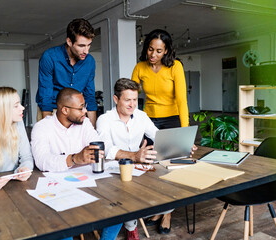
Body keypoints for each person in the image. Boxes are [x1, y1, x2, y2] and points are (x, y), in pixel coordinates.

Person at [31, 87, 122, 239]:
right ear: (65, 110)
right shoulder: (42, 128)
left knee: (121, 206)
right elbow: (42, 160)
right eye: (81, 108)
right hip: (58, 187)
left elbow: (97, 143)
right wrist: (74, 159)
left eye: (85, 106)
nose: (85, 111)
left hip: (88, 181)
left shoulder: (84, 123)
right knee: (62, 225)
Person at [97, 78, 173, 239]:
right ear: (116, 99)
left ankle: (158, 215)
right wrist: (134, 156)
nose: (132, 105)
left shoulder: (141, 116)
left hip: (138, 168)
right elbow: (107, 149)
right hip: (113, 172)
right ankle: (131, 228)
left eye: (134, 100)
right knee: (125, 192)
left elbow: (158, 136)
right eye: (127, 100)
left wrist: (178, 145)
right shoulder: (105, 119)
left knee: (169, 181)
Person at [131, 29, 190, 230]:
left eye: (158, 51)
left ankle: (167, 215)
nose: (153, 55)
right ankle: (157, 209)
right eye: (150, 49)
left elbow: (182, 101)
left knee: (169, 168)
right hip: (148, 121)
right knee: (151, 167)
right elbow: (131, 96)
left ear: (166, 51)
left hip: (171, 119)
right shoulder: (140, 67)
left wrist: (185, 134)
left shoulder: (175, 67)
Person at [36, 18, 98, 127]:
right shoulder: (50, 57)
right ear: (69, 41)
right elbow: (46, 96)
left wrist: (92, 129)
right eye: (81, 46)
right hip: (53, 108)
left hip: (77, 109)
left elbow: (90, 96)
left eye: (89, 45)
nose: (86, 51)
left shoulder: (90, 61)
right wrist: (48, 128)